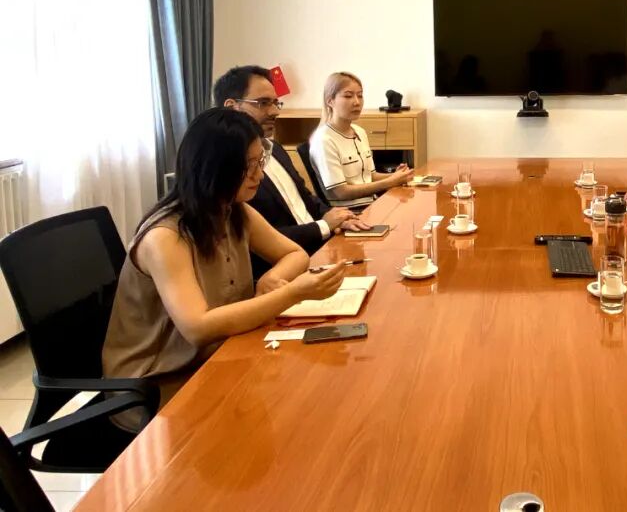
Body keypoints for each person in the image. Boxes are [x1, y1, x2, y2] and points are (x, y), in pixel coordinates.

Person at [102, 109, 347, 429]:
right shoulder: (165, 237)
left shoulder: (233, 212)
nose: (259, 175)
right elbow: (198, 327)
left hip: (217, 353)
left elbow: (294, 254)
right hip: (157, 383)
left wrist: (273, 278)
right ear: (214, 168)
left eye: (261, 161)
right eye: (249, 166)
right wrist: (292, 293)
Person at [212, 65, 368, 279]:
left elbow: (306, 198)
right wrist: (323, 226)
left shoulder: (274, 148)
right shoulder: (225, 167)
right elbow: (254, 241)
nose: (275, 111)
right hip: (283, 269)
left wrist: (337, 217)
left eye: (276, 103)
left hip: (320, 247)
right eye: (263, 103)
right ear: (232, 107)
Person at [308, 72, 412, 208]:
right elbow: (340, 192)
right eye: (348, 96)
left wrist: (396, 176)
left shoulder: (360, 132)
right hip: (350, 212)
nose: (357, 102)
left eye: (360, 95)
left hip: (372, 205)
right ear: (330, 101)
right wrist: (390, 182)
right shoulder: (324, 140)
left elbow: (370, 176)